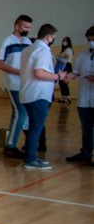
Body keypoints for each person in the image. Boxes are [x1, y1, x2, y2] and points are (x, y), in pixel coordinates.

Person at [18, 24, 75, 170]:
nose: (53, 40)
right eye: (53, 37)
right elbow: (39, 73)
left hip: (28, 92)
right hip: (38, 95)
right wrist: (58, 76)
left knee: (33, 127)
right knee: (36, 128)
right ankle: (30, 159)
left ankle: (32, 156)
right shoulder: (42, 50)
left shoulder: (28, 49)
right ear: (49, 37)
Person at [0, 14, 33, 159]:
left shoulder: (28, 42)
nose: (28, 30)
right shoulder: (7, 42)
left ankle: (24, 144)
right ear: (17, 26)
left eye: (30, 27)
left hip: (25, 83)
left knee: (19, 113)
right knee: (20, 112)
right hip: (13, 82)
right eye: (25, 27)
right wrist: (18, 72)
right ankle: (10, 147)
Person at [66, 25, 94, 165]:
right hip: (84, 99)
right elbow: (76, 71)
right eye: (89, 39)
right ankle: (86, 152)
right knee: (86, 126)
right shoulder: (83, 54)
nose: (91, 42)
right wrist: (68, 77)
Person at [56, 36, 74, 104]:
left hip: (66, 65)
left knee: (64, 82)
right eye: (63, 40)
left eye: (66, 41)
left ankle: (68, 97)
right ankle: (64, 97)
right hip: (63, 65)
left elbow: (66, 58)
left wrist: (58, 57)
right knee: (61, 82)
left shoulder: (69, 49)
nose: (64, 42)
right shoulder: (64, 50)